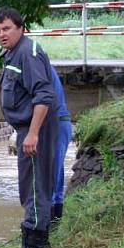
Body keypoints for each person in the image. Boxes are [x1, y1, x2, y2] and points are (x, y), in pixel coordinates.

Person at [0, 7, 59, 248]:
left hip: (35, 129)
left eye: (7, 28)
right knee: (30, 185)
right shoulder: (13, 53)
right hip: (27, 129)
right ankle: (34, 243)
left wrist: (32, 134)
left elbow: (43, 95)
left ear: (20, 28)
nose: (2, 34)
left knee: (33, 187)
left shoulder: (27, 54)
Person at [50, 66, 72, 227]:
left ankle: (47, 230)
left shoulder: (33, 66)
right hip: (59, 122)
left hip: (54, 124)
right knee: (56, 174)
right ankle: (54, 226)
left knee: (50, 176)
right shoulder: (43, 65)